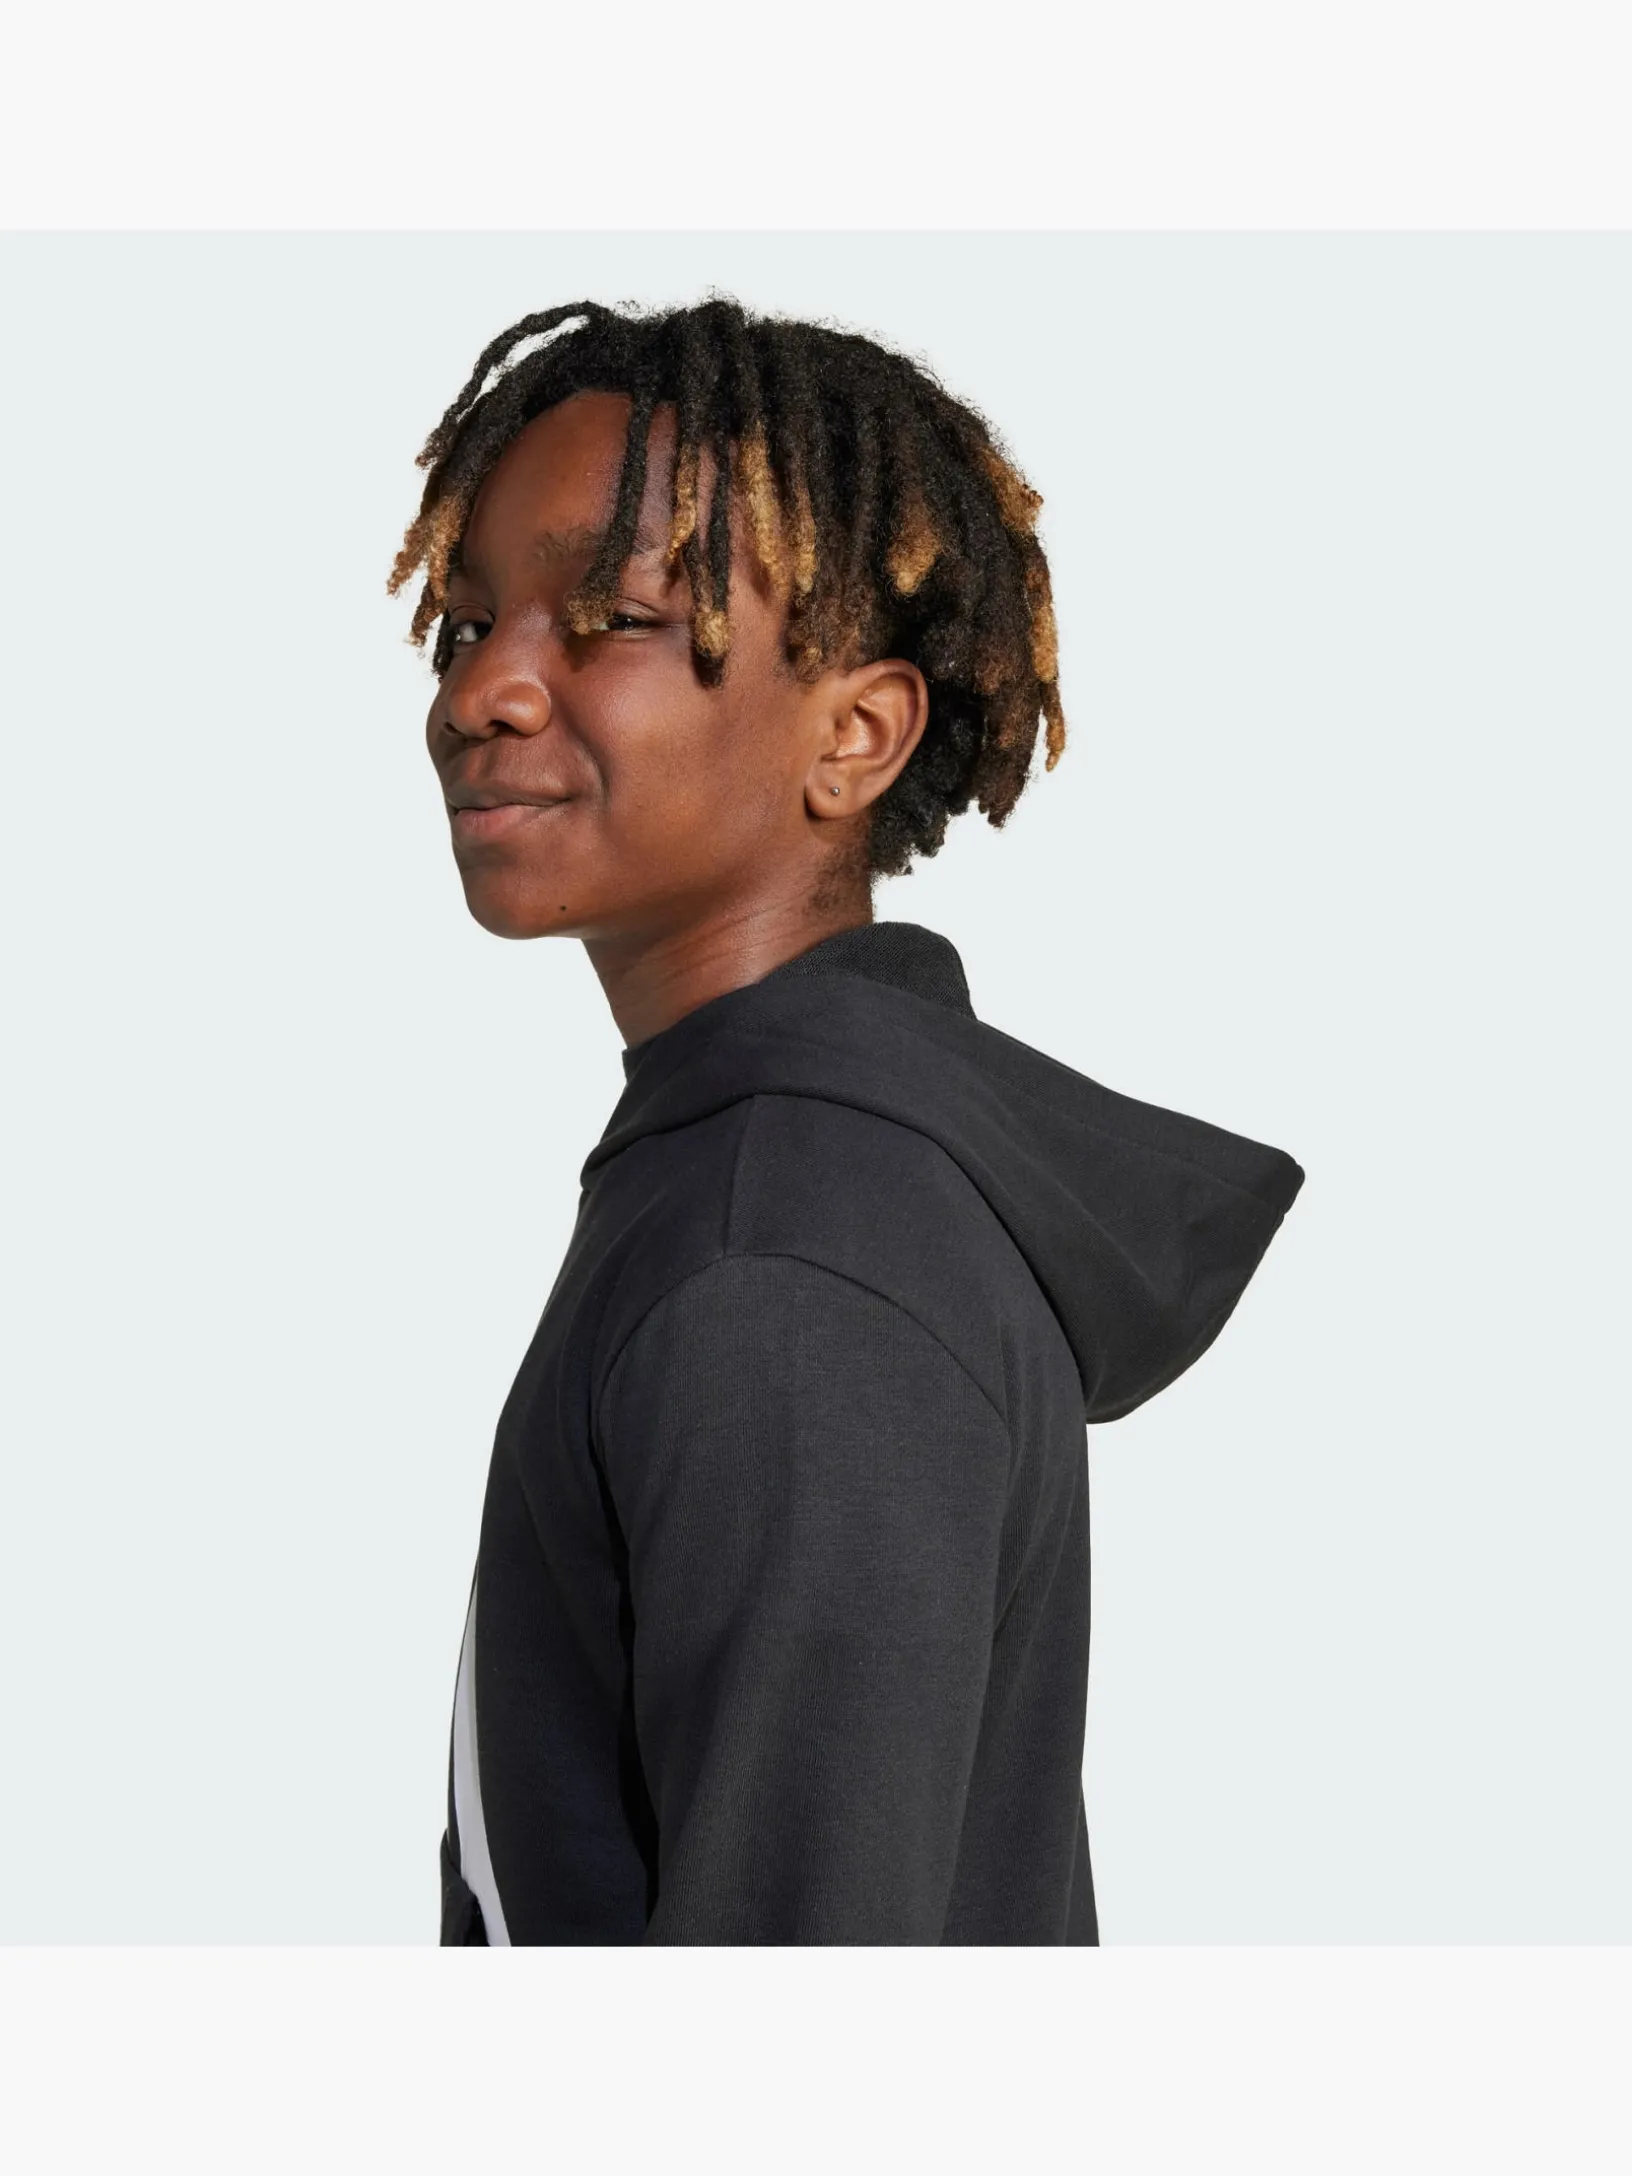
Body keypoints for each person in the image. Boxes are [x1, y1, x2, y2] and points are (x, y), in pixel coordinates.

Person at [387, 296, 1304, 1945]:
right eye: (468, 625)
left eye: (610, 618)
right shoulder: (756, 1183)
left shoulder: (789, 1265)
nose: (484, 692)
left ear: (856, 736)